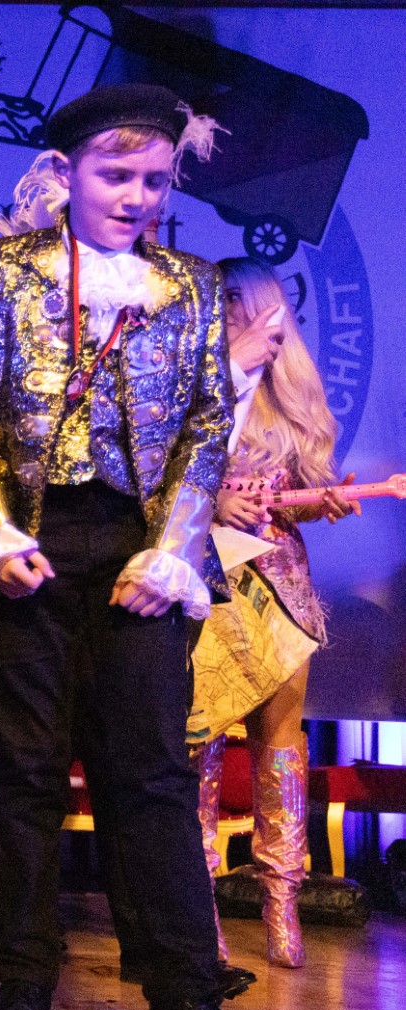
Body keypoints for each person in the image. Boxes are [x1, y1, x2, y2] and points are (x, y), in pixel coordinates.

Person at [0, 84, 279, 1010]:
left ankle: (184, 1003)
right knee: (26, 776)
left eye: (154, 180)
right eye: (115, 175)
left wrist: (174, 548)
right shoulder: (2, 274)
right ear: (68, 173)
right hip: (32, 548)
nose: (136, 197)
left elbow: (208, 425)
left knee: (154, 779)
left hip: (141, 551)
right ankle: (21, 985)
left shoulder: (192, 285)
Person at [191, 257, 357, 970]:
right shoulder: (195, 384)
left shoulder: (290, 397)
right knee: (196, 743)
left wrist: (326, 501)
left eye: (239, 296)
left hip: (279, 589)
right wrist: (214, 501)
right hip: (205, 584)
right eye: (219, 296)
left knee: (280, 744)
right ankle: (198, 909)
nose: (227, 306)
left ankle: (282, 898)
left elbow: (308, 493)